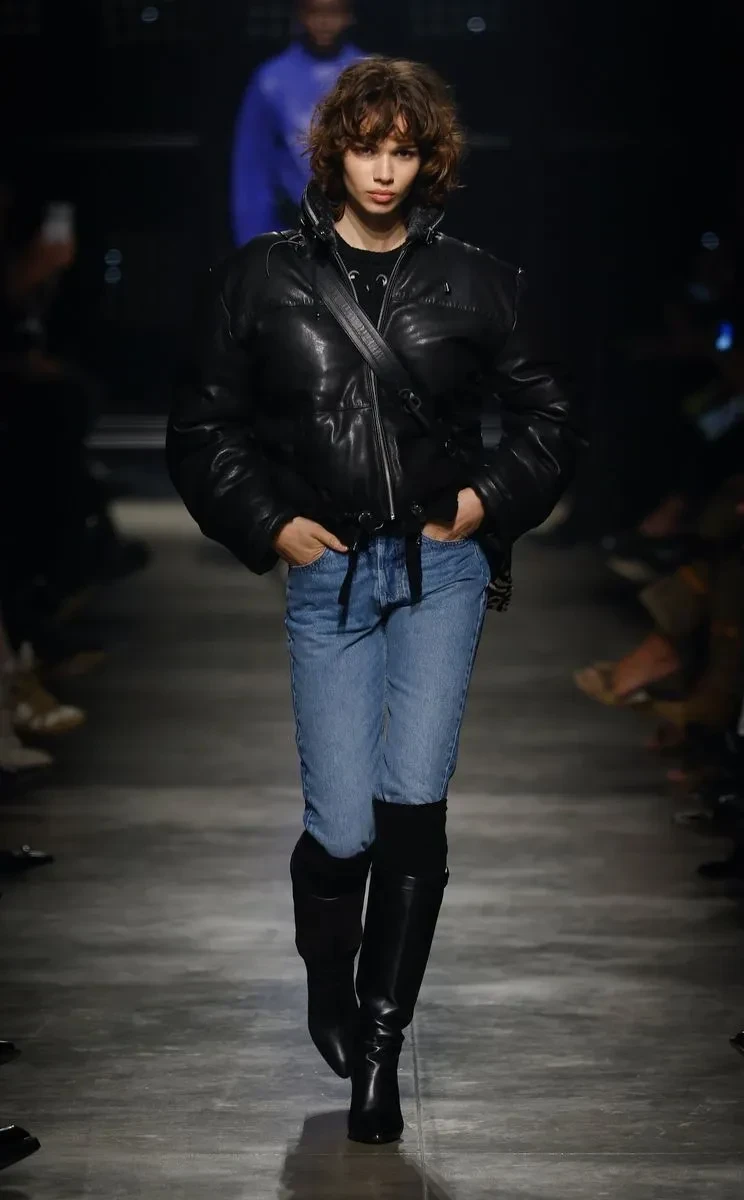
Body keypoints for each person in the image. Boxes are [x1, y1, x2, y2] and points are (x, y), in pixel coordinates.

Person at [168, 57, 578, 1145]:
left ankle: (381, 1048)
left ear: (428, 158)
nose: (385, 170)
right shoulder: (259, 280)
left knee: (412, 804)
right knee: (341, 825)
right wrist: (268, 524)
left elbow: (551, 417)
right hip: (328, 573)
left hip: (440, 572)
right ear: (333, 153)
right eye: (366, 148)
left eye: (403, 150)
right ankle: (327, 983)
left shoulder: (479, 283)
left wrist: (485, 501)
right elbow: (202, 428)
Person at [231, 0, 362, 246]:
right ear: (300, 15)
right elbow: (252, 167)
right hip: (293, 228)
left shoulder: (370, 75)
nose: (324, 21)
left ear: (349, 15)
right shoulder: (271, 80)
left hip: (361, 224)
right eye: (314, 12)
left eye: (333, 12)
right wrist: (252, 243)